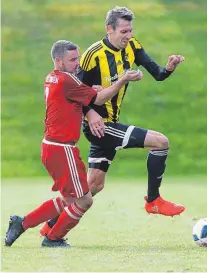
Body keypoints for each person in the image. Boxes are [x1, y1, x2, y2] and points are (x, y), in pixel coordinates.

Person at [40, 6, 186, 237]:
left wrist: (169, 68)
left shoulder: (132, 46)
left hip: (109, 124)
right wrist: (89, 113)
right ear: (109, 29)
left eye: (130, 31)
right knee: (161, 142)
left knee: (94, 186)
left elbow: (157, 73)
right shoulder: (92, 55)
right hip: (99, 126)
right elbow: (74, 91)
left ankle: (50, 226)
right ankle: (154, 200)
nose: (128, 36)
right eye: (124, 31)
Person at [4, 40, 143, 248]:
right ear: (58, 61)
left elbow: (77, 95)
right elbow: (98, 99)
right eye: (72, 60)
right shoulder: (67, 81)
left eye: (77, 58)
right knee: (85, 201)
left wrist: (89, 89)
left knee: (69, 201)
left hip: (53, 147)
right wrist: (123, 79)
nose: (77, 63)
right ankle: (52, 238)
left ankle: (22, 223)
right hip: (62, 149)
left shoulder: (53, 77)